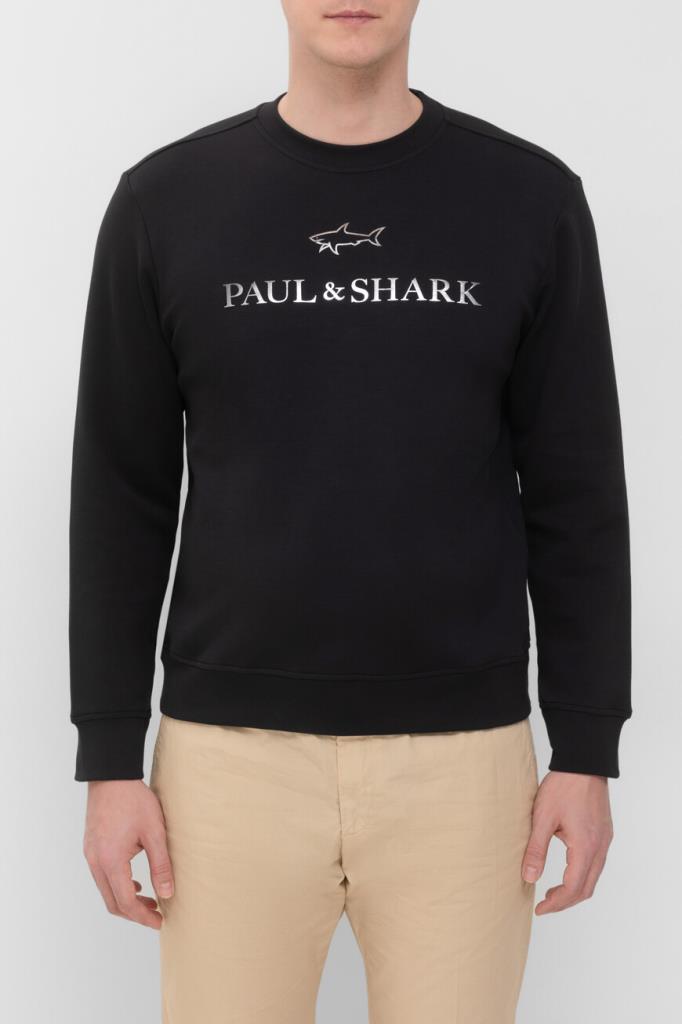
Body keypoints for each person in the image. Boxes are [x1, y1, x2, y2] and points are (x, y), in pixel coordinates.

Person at [69, 2, 631, 1021]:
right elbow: (120, 493)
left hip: (464, 770)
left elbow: (577, 493)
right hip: (225, 768)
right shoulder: (167, 200)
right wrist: (108, 758)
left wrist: (587, 746)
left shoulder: (529, 199)